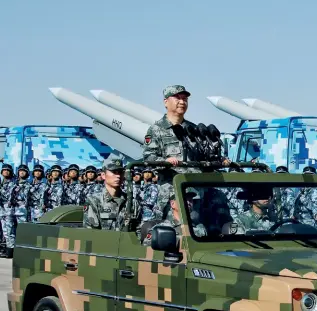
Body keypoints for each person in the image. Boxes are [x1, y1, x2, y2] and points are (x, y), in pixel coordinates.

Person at [142, 85, 229, 220]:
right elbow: (148, 157)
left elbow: (206, 154)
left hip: (195, 193)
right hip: (171, 193)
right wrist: (165, 162)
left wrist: (220, 159)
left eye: (185, 99)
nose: (182, 102)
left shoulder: (193, 129)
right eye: (177, 98)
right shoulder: (156, 130)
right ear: (166, 102)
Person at [83, 155, 131, 231]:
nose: (118, 176)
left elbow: (139, 231)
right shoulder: (94, 201)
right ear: (103, 175)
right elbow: (91, 233)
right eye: (114, 172)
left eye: (120, 172)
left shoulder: (131, 201)